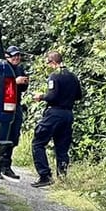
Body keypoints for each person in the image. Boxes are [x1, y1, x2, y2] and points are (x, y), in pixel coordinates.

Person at [30, 50, 83, 188]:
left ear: (53, 62)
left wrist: (41, 97)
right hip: (68, 114)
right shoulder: (73, 76)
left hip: (55, 113)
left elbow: (52, 96)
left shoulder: (54, 76)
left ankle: (44, 175)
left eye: (48, 62)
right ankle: (62, 178)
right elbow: (79, 96)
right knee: (62, 147)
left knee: (38, 142)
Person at [1, 46, 31, 180]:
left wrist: (25, 82)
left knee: (14, 135)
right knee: (2, 134)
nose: (17, 58)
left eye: (18, 55)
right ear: (7, 56)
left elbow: (23, 88)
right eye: (14, 55)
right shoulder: (2, 67)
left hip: (16, 105)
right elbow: (0, 85)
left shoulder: (20, 68)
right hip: (2, 105)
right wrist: (15, 81)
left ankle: (6, 166)